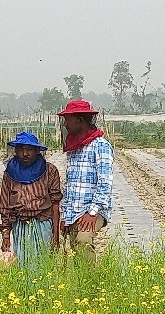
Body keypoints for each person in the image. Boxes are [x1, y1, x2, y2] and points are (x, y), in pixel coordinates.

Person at [58, 99, 114, 260]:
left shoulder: (100, 146)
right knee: (75, 249)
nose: (65, 124)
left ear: (80, 120)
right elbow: (70, 186)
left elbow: (105, 183)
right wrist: (65, 217)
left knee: (83, 241)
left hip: (93, 209)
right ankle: (82, 283)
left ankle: (91, 283)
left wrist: (92, 213)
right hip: (73, 210)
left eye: (68, 120)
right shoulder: (74, 148)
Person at [0, 132, 62, 268]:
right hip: (20, 225)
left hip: (43, 223)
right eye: (21, 149)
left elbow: (55, 204)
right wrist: (5, 236)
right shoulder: (9, 173)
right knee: (23, 265)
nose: (25, 153)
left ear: (37, 151)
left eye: (29, 150)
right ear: (15, 151)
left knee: (44, 265)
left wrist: (55, 235)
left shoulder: (50, 171)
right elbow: (5, 205)